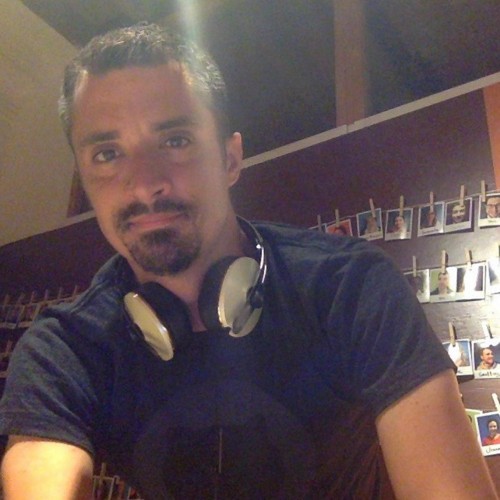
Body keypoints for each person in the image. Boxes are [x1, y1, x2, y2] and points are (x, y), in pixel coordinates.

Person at [0, 24, 496, 499]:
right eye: (108, 154)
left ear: (231, 159)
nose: (144, 184)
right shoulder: (62, 350)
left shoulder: (352, 287)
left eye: (175, 141)